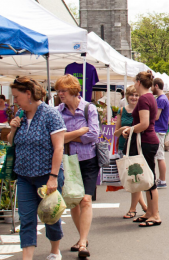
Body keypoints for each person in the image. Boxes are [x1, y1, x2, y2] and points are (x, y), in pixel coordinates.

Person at [8, 77, 66, 260]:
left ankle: (55, 250)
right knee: (26, 219)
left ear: (28, 94)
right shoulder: (20, 115)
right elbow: (12, 143)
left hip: (46, 174)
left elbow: (59, 148)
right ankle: (27, 257)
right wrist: (12, 130)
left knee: (50, 217)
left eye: (17, 96)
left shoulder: (50, 114)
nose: (15, 101)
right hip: (24, 175)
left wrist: (53, 177)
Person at [55, 75, 100, 258]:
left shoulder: (89, 108)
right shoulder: (57, 111)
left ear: (74, 91)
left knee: (86, 200)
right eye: (58, 90)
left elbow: (94, 135)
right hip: (68, 160)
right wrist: (79, 132)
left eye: (63, 91)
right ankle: (83, 237)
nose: (60, 94)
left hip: (88, 160)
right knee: (73, 201)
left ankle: (82, 242)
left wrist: (68, 135)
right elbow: (55, 138)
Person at [118, 71, 162, 227]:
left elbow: (144, 124)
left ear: (138, 82)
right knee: (146, 178)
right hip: (146, 140)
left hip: (145, 141)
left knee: (149, 179)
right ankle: (150, 212)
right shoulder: (149, 97)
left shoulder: (144, 99)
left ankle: (155, 214)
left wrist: (129, 130)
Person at [114, 85, 147, 220]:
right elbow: (116, 133)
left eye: (136, 95)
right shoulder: (122, 111)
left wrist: (133, 130)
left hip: (137, 148)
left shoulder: (142, 111)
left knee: (135, 178)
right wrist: (123, 129)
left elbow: (145, 127)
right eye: (131, 95)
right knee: (131, 179)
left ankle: (133, 209)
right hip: (124, 148)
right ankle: (145, 207)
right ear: (127, 96)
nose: (134, 97)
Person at [152, 78, 169, 189]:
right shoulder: (162, 98)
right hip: (160, 129)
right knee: (159, 155)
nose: (151, 89)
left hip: (158, 129)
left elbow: (156, 116)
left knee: (159, 156)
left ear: (156, 86)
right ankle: (161, 179)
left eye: (152, 86)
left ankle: (162, 180)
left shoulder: (161, 99)